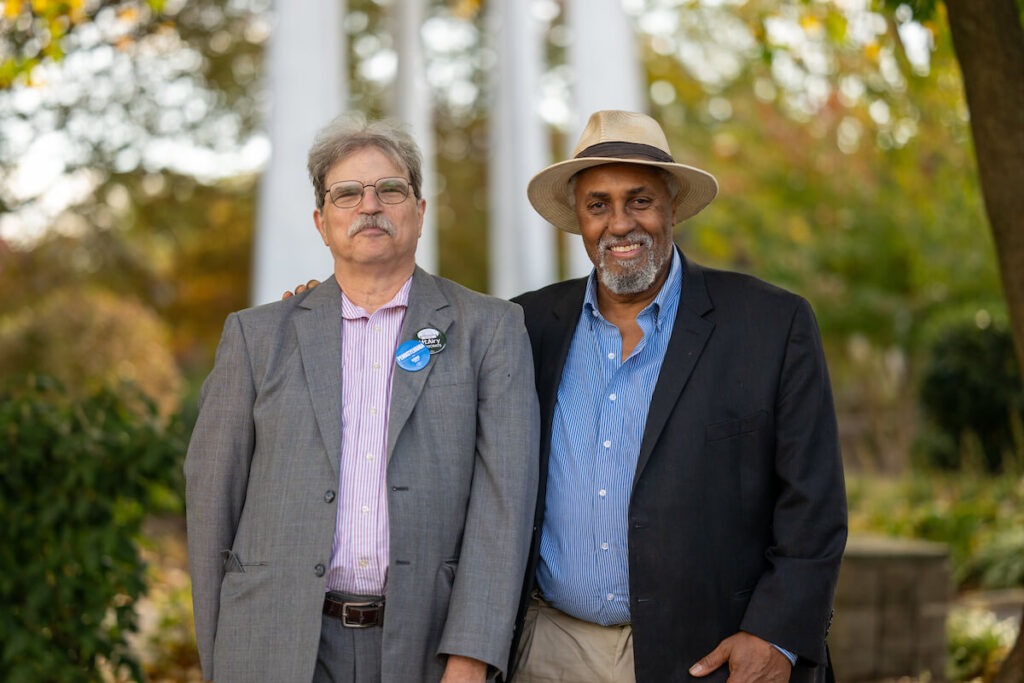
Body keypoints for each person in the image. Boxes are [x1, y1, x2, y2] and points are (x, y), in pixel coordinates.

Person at [185, 116, 539, 683]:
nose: (369, 205)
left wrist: (472, 656)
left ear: (419, 211)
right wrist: (221, 653)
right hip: (274, 646)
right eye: (347, 193)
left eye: (390, 189)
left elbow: (506, 504)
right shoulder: (255, 337)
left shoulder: (490, 329)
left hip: (427, 646)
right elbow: (211, 505)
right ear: (322, 222)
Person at [506, 110, 847, 683]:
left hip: (707, 656)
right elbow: (424, 384)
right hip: (548, 650)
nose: (620, 224)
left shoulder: (771, 324)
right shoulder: (523, 324)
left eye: (639, 200)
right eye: (598, 205)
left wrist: (777, 634)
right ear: (579, 221)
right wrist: (326, 318)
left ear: (671, 207)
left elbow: (813, 504)